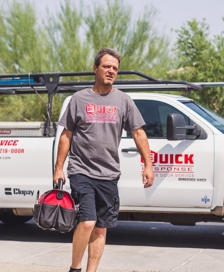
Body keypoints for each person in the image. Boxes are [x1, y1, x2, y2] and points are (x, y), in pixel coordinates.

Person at [53, 48, 154, 272]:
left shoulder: (123, 100)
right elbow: (66, 135)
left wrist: (148, 164)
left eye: (115, 69)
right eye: (107, 66)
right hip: (82, 171)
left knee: (100, 228)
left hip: (109, 174)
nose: (111, 71)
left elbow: (139, 133)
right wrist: (59, 168)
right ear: (95, 68)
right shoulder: (79, 99)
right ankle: (75, 268)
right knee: (87, 222)